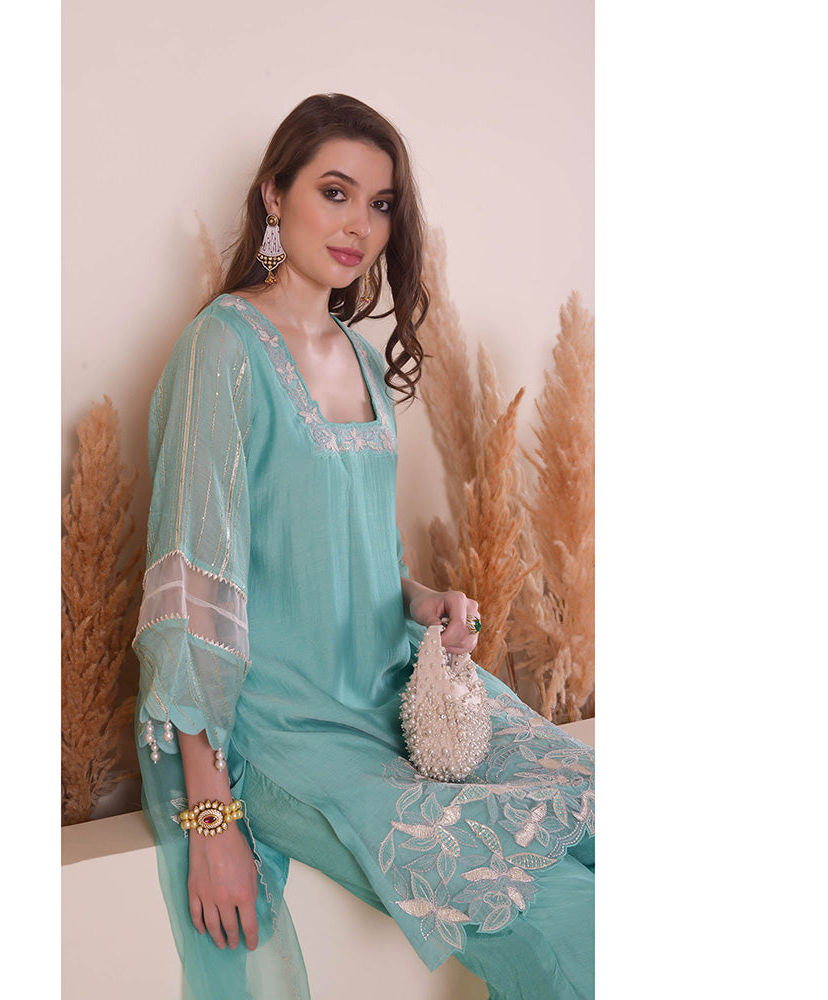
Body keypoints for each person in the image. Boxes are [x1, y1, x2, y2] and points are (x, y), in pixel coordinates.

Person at [133, 93, 594, 1000]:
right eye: (335, 192)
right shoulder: (222, 350)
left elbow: (359, 557)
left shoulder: (363, 360)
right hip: (292, 736)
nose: (360, 225)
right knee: (562, 924)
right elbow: (194, 597)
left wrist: (426, 603)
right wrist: (213, 820)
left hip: (401, 700)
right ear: (275, 195)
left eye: (380, 204)